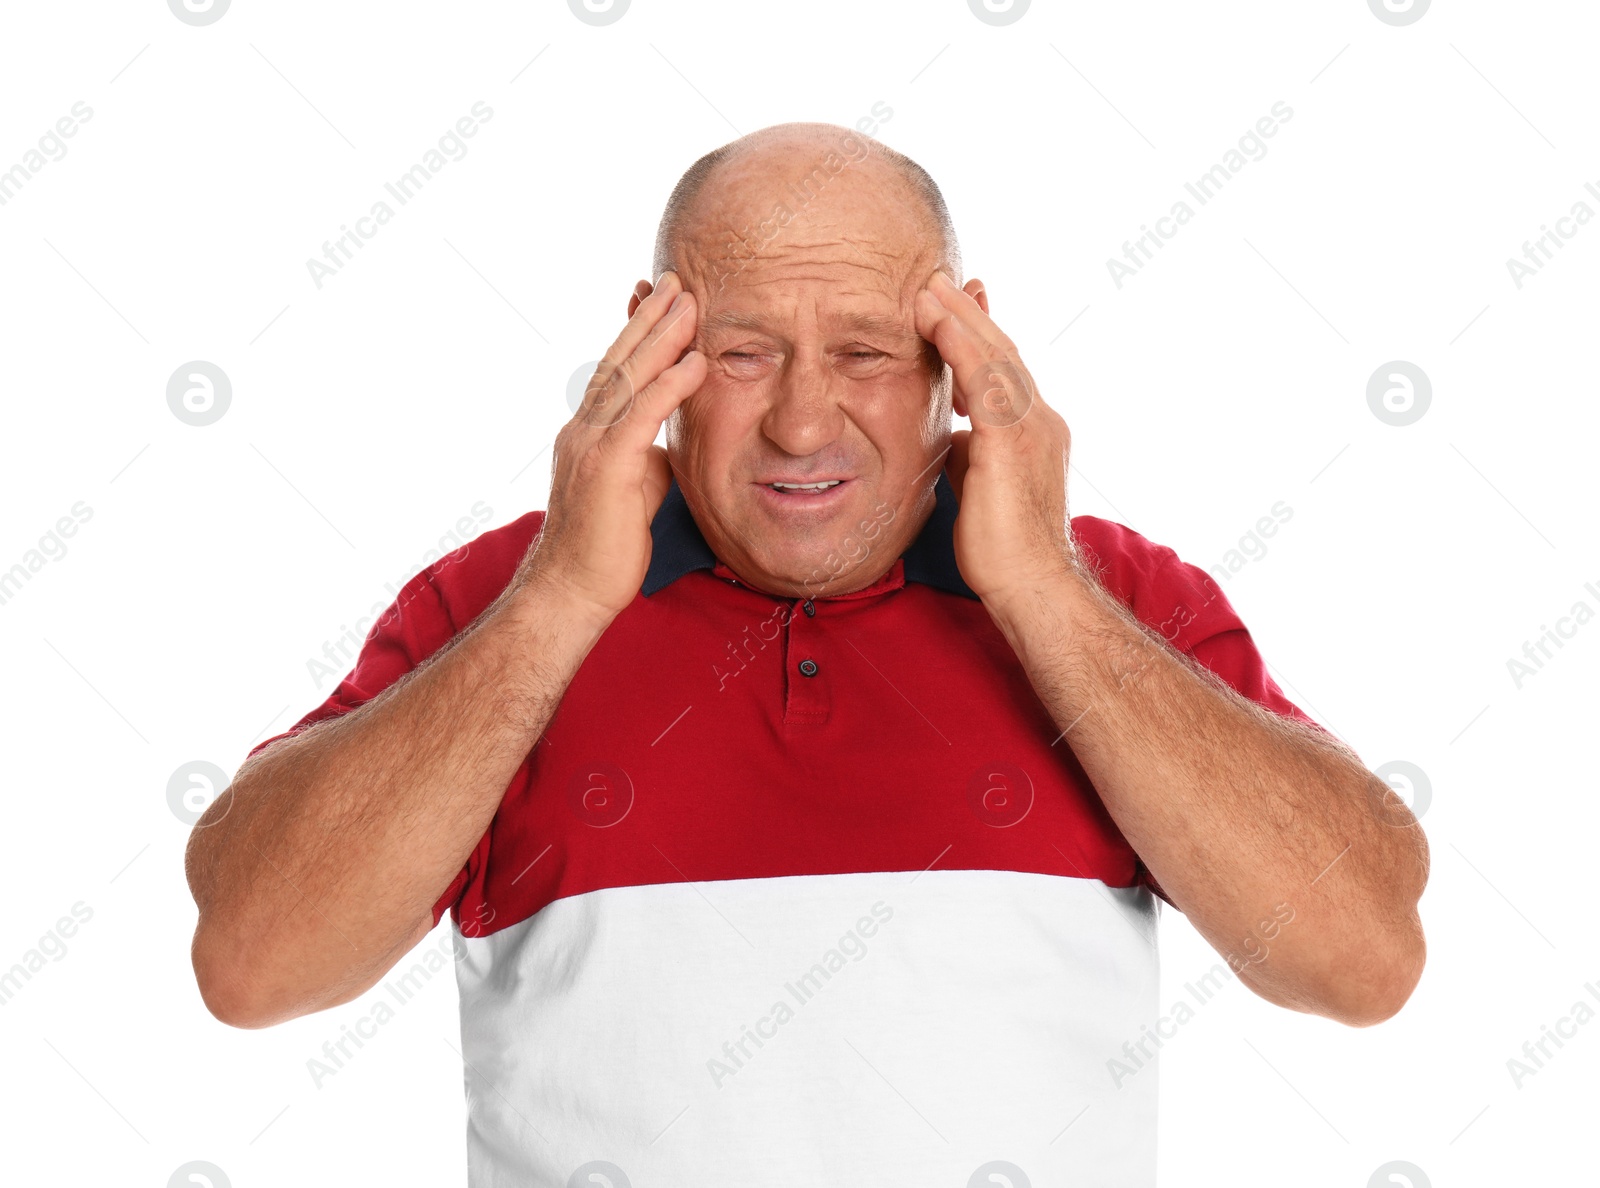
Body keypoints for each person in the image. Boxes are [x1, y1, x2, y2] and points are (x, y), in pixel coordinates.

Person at [184, 121, 1429, 1186]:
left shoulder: (1111, 592)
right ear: (649, 343)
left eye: (866, 352)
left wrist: (1039, 588)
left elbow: (1362, 962)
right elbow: (252, 966)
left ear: (961, 349)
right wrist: (564, 595)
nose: (799, 419)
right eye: (741, 351)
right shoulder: (506, 595)